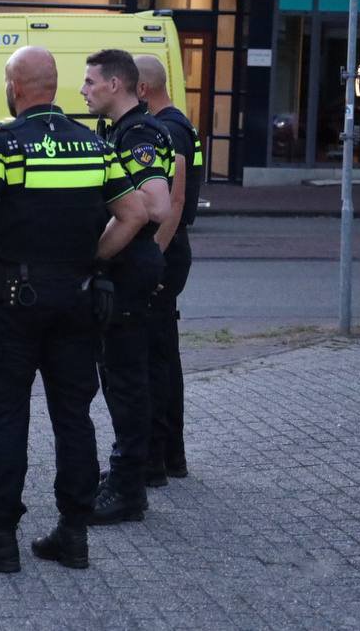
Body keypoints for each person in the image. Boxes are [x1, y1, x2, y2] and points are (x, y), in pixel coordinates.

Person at [0, 46, 148, 573]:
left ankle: (0, 536)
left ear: (15, 88)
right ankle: (73, 534)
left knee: (5, 418)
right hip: (77, 302)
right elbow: (134, 213)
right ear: (54, 86)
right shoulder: (93, 144)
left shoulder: (5, 142)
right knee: (73, 418)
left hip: (11, 304)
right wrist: (93, 258)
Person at [79, 49, 174, 525]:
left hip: (129, 265)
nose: (83, 90)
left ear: (115, 85)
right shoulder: (117, 131)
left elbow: (155, 205)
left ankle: (128, 487)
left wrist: (97, 252)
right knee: (118, 377)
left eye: (90, 82)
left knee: (127, 380)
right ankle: (125, 473)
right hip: (123, 265)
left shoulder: (139, 133)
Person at [135, 54, 203, 485]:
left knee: (154, 360)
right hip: (170, 250)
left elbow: (174, 202)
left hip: (165, 250)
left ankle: (156, 460)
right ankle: (171, 456)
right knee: (164, 356)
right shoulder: (178, 124)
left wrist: (153, 257)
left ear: (142, 89)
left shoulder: (168, 130)